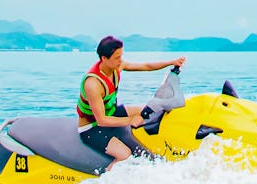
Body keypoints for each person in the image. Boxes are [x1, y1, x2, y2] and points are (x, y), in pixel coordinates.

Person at [76, 35, 185, 170]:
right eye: (116, 58)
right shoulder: (93, 84)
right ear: (104, 58)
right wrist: (131, 120)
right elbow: (102, 120)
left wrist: (171, 62)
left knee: (149, 110)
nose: (120, 61)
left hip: (112, 113)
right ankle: (106, 178)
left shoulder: (117, 66)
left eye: (120, 56)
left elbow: (146, 66)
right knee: (125, 156)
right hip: (92, 128)